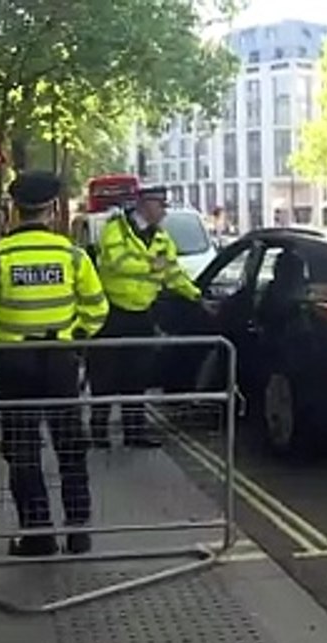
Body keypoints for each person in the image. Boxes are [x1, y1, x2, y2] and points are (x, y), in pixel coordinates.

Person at [0, 170, 109, 557]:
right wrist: (73, 337)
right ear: (53, 208)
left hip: (14, 363)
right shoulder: (71, 256)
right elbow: (97, 310)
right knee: (71, 447)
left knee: (23, 450)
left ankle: (38, 534)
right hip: (60, 361)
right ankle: (79, 531)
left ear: (14, 211)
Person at [90, 185, 203, 449]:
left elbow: (173, 274)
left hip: (142, 314)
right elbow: (115, 263)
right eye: (160, 204)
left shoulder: (162, 238)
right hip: (112, 313)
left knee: (137, 377)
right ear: (144, 203)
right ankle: (99, 432)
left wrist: (196, 296)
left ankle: (134, 432)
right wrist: (153, 264)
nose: (164, 211)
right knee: (104, 378)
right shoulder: (115, 229)